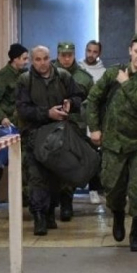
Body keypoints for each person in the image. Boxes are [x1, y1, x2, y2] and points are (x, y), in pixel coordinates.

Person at [85, 33, 137, 252]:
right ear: (130, 51)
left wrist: (126, 82)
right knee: (113, 188)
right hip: (114, 142)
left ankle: (136, 233)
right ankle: (118, 216)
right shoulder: (113, 73)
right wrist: (95, 128)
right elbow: (93, 99)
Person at [16, 46, 84, 236]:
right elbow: (23, 109)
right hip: (34, 135)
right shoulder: (25, 80)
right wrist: (47, 113)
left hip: (58, 135)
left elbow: (79, 96)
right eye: (38, 59)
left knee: (56, 176)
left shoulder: (63, 76)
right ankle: (39, 216)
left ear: (50, 58)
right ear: (32, 60)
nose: (42, 63)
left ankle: (50, 213)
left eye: (45, 58)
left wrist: (71, 103)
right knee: (37, 177)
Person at [52, 42, 94, 221]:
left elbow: (92, 103)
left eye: (69, 55)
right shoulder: (48, 73)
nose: (66, 58)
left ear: (74, 55)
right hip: (51, 126)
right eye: (63, 55)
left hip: (75, 126)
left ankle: (66, 201)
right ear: (58, 55)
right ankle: (49, 203)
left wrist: (94, 127)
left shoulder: (84, 77)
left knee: (71, 163)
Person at [0, 43, 29, 205]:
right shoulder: (1, 77)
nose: (26, 62)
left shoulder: (26, 76)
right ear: (15, 59)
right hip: (7, 127)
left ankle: (24, 195)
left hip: (22, 125)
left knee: (23, 160)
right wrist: (2, 118)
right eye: (24, 58)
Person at [77, 40, 107, 204]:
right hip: (78, 119)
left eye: (95, 52)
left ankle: (94, 189)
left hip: (95, 120)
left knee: (95, 156)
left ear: (99, 53)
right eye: (89, 51)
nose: (91, 54)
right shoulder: (78, 69)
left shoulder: (104, 73)